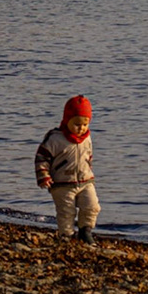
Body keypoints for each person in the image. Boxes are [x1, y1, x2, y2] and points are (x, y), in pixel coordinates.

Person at [35, 95, 99, 244]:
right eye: (76, 124)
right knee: (66, 212)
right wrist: (43, 176)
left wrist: (89, 169)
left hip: (85, 181)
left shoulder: (87, 138)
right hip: (62, 184)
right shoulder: (55, 139)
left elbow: (88, 156)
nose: (81, 128)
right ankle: (66, 235)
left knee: (92, 206)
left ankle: (85, 230)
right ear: (67, 119)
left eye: (85, 124)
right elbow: (41, 158)